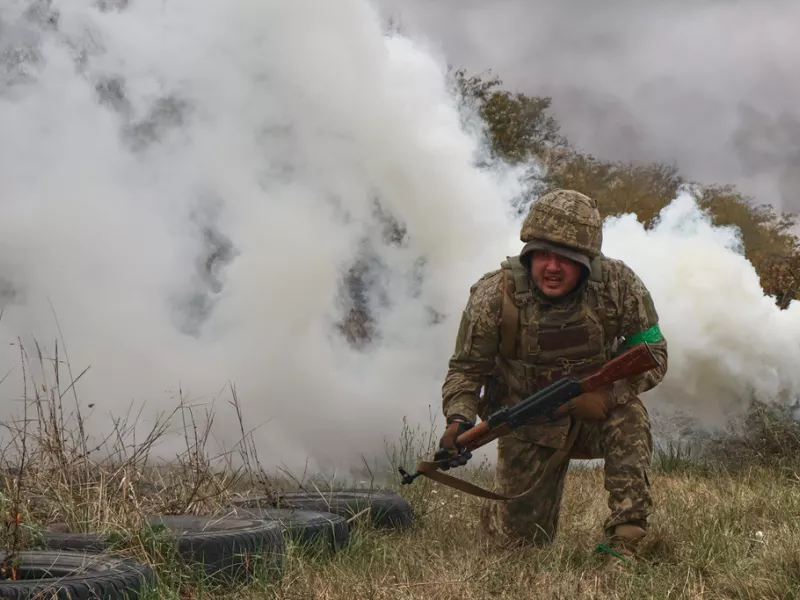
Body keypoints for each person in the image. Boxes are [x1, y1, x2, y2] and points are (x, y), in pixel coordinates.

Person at [437, 188, 668, 569]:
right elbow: (466, 370)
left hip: (597, 417)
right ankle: (504, 520)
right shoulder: (495, 295)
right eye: (541, 254)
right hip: (529, 425)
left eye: (566, 257)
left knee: (629, 417)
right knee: (518, 551)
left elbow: (654, 354)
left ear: (588, 261)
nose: (552, 267)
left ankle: (625, 542)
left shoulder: (619, 286)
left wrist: (609, 395)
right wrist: (458, 419)